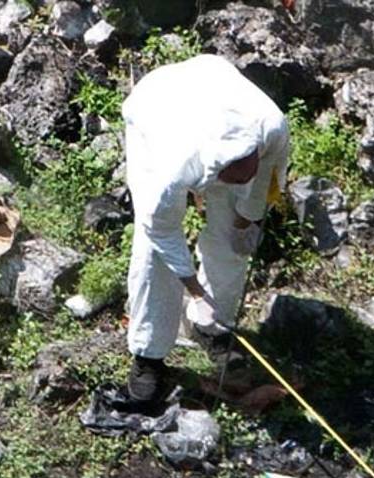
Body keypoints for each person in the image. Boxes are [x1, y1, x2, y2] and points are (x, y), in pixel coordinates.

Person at [121, 54, 289, 402]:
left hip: (211, 79)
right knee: (152, 254)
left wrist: (247, 220)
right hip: (155, 105)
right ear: (213, 172)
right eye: (233, 178)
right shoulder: (169, 170)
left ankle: (211, 327)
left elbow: (264, 178)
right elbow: (162, 233)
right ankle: (149, 355)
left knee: (232, 241)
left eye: (247, 168)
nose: (243, 178)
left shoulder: (270, 127)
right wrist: (196, 292)